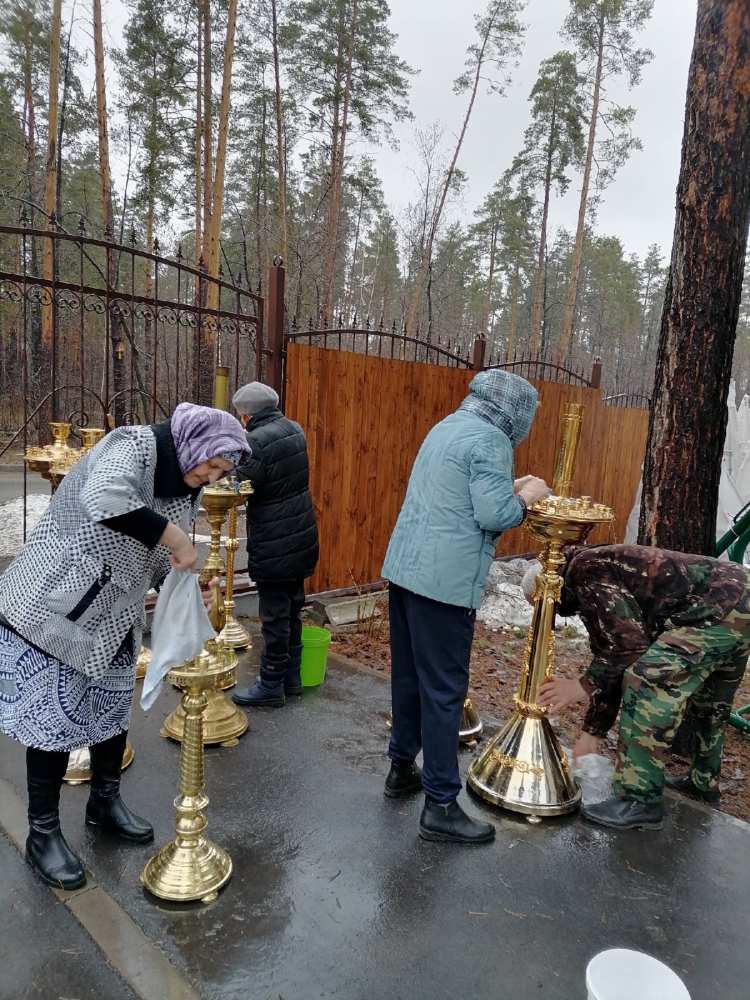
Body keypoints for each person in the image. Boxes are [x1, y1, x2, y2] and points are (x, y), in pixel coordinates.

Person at [0, 403, 250, 890]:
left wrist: (176, 579)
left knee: (112, 711)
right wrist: (178, 539)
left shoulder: (184, 487)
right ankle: (43, 833)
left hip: (114, 617)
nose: (209, 477)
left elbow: (153, 549)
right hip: (56, 606)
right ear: (192, 443)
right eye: (210, 464)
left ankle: (104, 802)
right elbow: (105, 499)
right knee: (51, 720)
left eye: (220, 471)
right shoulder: (132, 446)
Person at [381, 370, 550, 845]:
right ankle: (440, 805)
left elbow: (459, 492)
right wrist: (528, 497)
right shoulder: (493, 439)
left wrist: (509, 485)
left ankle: (401, 769)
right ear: (514, 411)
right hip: (444, 583)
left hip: (406, 569)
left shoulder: (448, 426)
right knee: (443, 691)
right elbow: (495, 514)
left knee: (409, 677)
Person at [527, 544, 750, 831]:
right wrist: (593, 730)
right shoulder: (595, 564)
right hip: (738, 598)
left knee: (646, 679)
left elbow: (628, 649)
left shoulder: (585, 572)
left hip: (718, 607)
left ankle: (639, 800)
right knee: (709, 701)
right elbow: (611, 651)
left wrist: (581, 686)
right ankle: (702, 782)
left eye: (542, 607)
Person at [230, 382, 319, 708]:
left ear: (246, 413)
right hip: (301, 533)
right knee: (294, 608)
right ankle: (291, 678)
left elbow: (242, 485)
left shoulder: (255, 441)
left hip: (275, 540)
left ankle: (270, 685)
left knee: (274, 616)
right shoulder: (293, 429)